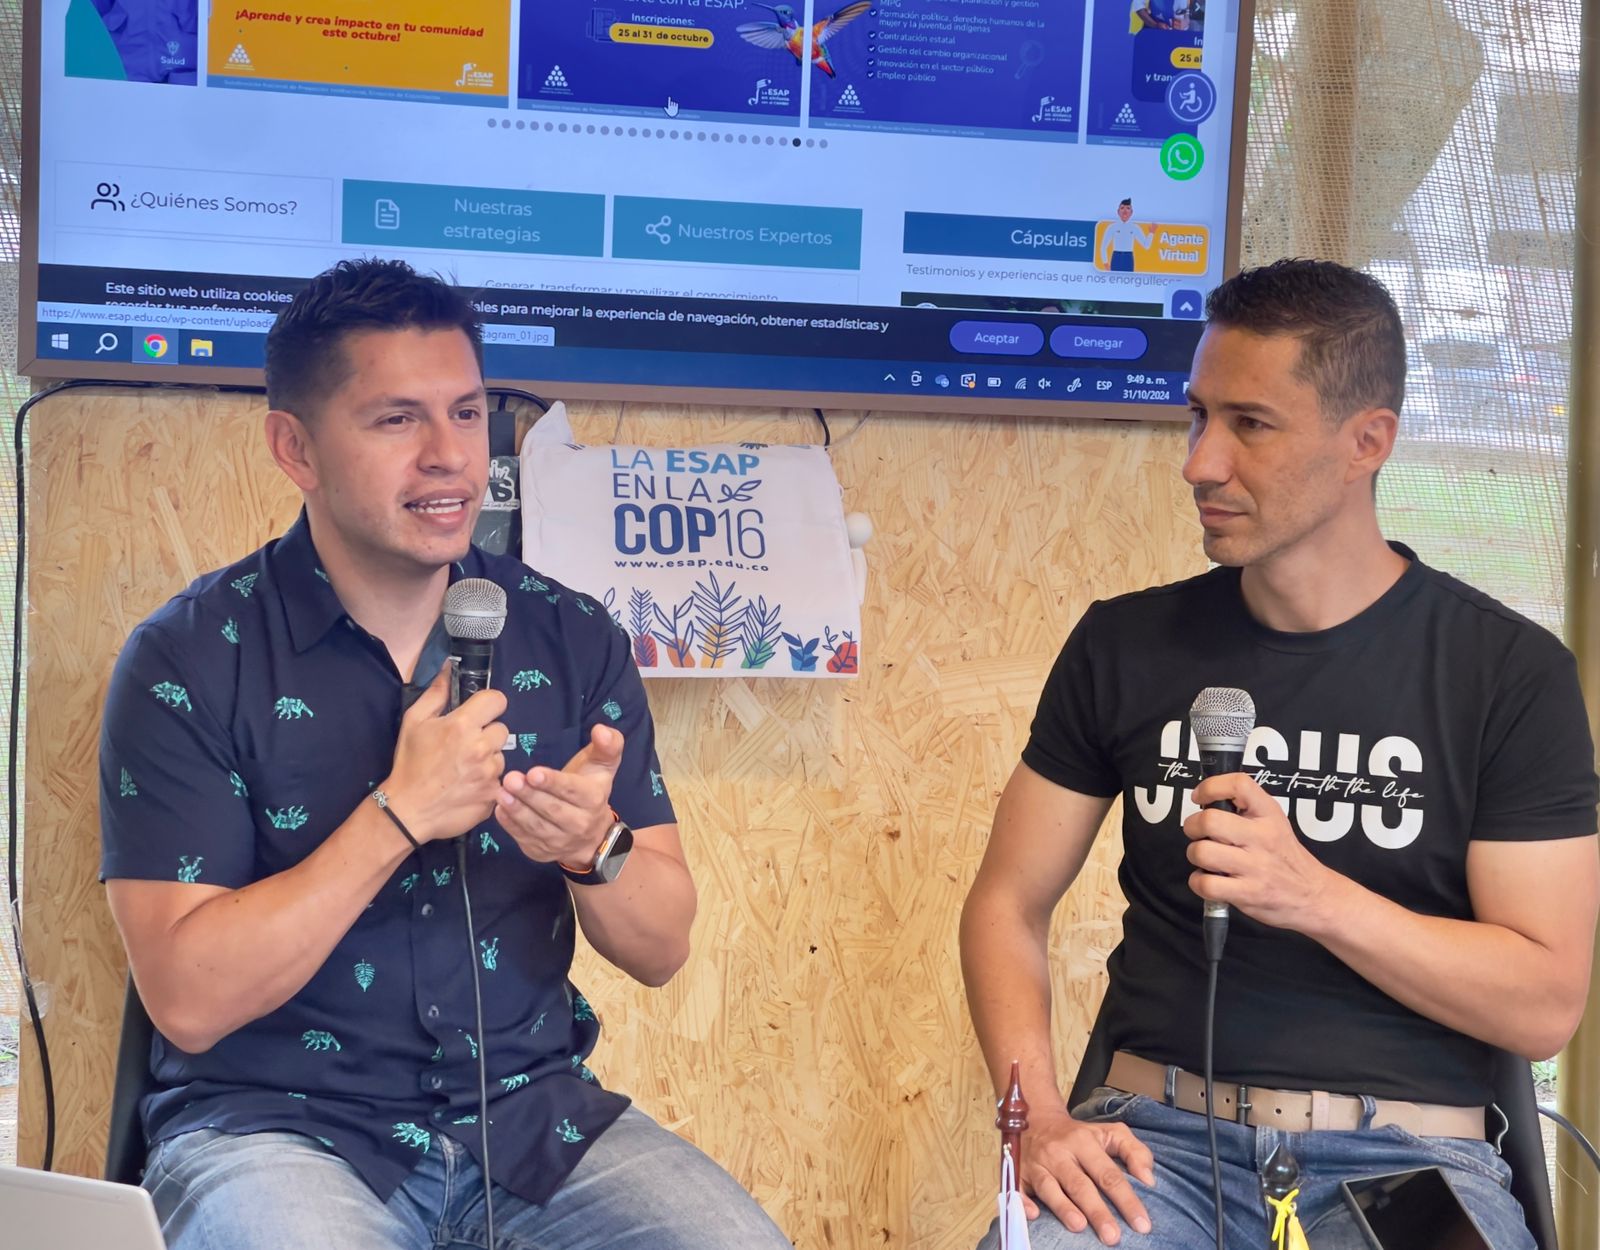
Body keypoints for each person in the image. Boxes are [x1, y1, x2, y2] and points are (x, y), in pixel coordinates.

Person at [99, 258, 792, 1250]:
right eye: (397, 419)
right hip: (278, 1127)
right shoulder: (192, 657)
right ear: (295, 447)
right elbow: (189, 998)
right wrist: (397, 814)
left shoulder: (569, 635)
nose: (448, 457)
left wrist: (592, 848)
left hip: (531, 1121)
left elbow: (662, 947)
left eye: (466, 414)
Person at [960, 258, 1599, 1249]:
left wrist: (1313, 896)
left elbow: (1543, 1002)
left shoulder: (1506, 672)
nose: (1200, 462)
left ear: (1366, 442)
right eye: (1197, 417)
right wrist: (1035, 1117)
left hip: (1408, 1161)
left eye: (1249, 424)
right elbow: (1007, 901)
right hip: (1153, 1144)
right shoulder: (1125, 644)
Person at [1099, 200, 1153, 273]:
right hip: (1116, 257)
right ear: (1118, 211)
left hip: (1128, 258)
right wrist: (1105, 263)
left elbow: (1146, 246)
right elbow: (1103, 247)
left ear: (1131, 212)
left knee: (1128, 279)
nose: (1125, 211)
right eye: (1122, 208)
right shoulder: (1112, 227)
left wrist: (1151, 233)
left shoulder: (1135, 227)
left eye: (1128, 208)